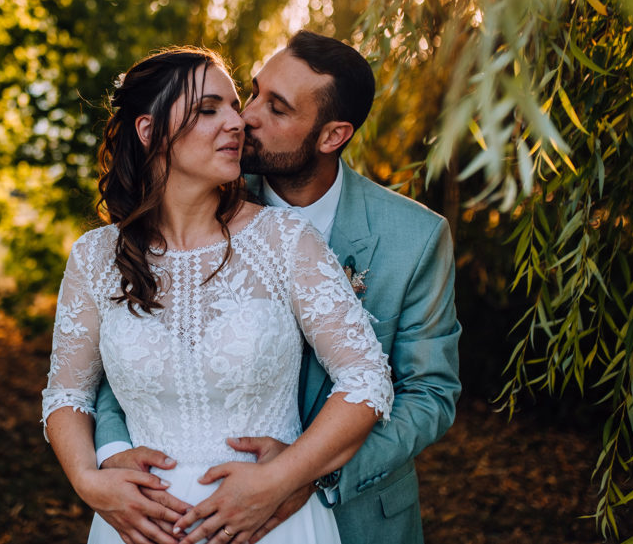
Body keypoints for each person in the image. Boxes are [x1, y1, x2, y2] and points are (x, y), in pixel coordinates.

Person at [95, 31, 462, 544]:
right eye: (254, 92)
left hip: (357, 511)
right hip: (178, 512)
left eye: (278, 108)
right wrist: (109, 455)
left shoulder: (415, 238)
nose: (245, 117)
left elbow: (428, 394)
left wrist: (305, 474)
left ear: (332, 136)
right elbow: (132, 351)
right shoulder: (196, 201)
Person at [41, 47, 395, 544]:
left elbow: (365, 378)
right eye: (209, 109)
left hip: (270, 524)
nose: (237, 122)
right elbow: (68, 394)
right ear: (148, 131)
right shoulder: (95, 257)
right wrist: (88, 481)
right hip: (136, 526)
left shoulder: (285, 240)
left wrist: (283, 477)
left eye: (233, 105)